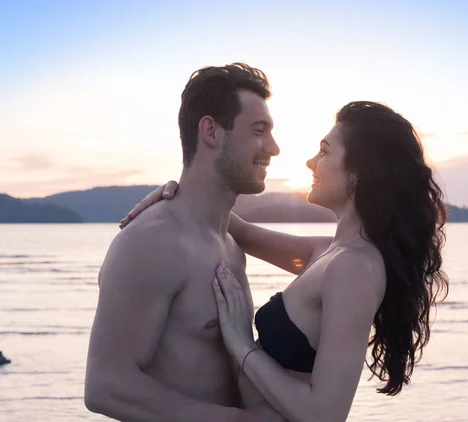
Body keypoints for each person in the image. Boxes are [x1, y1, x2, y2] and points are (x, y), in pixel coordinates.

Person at [121, 101, 450, 421]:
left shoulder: (354, 269)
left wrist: (242, 345)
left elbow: (325, 414)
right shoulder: (327, 252)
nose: (310, 161)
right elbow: (240, 231)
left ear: (360, 172)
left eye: (324, 151)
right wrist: (177, 193)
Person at [84, 63, 286, 421]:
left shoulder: (229, 243)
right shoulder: (152, 241)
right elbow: (106, 386)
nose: (273, 147)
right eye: (259, 131)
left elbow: (332, 258)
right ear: (211, 130)